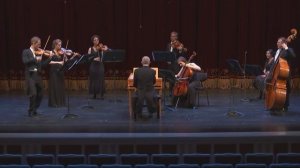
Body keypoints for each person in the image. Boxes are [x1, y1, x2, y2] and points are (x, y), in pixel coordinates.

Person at [22, 36, 53, 117]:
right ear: (33, 43)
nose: (40, 46)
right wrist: (35, 58)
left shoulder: (39, 53)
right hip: (30, 76)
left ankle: (35, 109)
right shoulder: (26, 51)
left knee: (41, 94)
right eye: (38, 44)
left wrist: (50, 58)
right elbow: (25, 61)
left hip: (38, 76)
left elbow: (42, 65)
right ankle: (30, 111)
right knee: (33, 94)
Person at [269, 37, 296, 113]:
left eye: (279, 42)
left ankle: (285, 106)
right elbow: (275, 63)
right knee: (277, 90)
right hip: (277, 74)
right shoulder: (278, 51)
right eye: (277, 42)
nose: (277, 43)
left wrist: (286, 47)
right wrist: (270, 72)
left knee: (286, 91)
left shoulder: (288, 50)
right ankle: (275, 104)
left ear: (283, 43)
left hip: (285, 73)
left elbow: (293, 56)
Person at [166, 31, 188, 96]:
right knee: (170, 79)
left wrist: (180, 50)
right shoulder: (168, 45)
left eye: (174, 36)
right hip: (169, 65)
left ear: (176, 37)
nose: (172, 38)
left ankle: (176, 92)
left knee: (176, 78)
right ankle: (170, 92)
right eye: (171, 36)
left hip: (176, 65)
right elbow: (167, 53)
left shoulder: (180, 44)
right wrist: (167, 59)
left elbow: (182, 55)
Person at [88, 35, 109, 99]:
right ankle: (94, 94)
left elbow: (103, 57)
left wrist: (105, 50)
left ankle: (101, 94)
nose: (96, 41)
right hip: (93, 65)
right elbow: (88, 58)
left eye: (97, 40)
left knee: (101, 79)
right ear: (92, 41)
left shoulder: (101, 48)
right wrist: (94, 59)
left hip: (100, 65)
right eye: (95, 40)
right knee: (94, 79)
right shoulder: (90, 49)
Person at [48, 39, 66, 107]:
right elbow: (49, 62)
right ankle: (54, 103)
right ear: (55, 45)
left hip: (60, 71)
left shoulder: (61, 52)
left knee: (60, 87)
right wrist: (58, 62)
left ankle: (60, 102)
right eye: (59, 45)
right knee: (54, 87)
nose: (60, 46)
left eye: (61, 45)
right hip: (54, 71)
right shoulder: (51, 52)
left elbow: (64, 61)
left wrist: (65, 57)